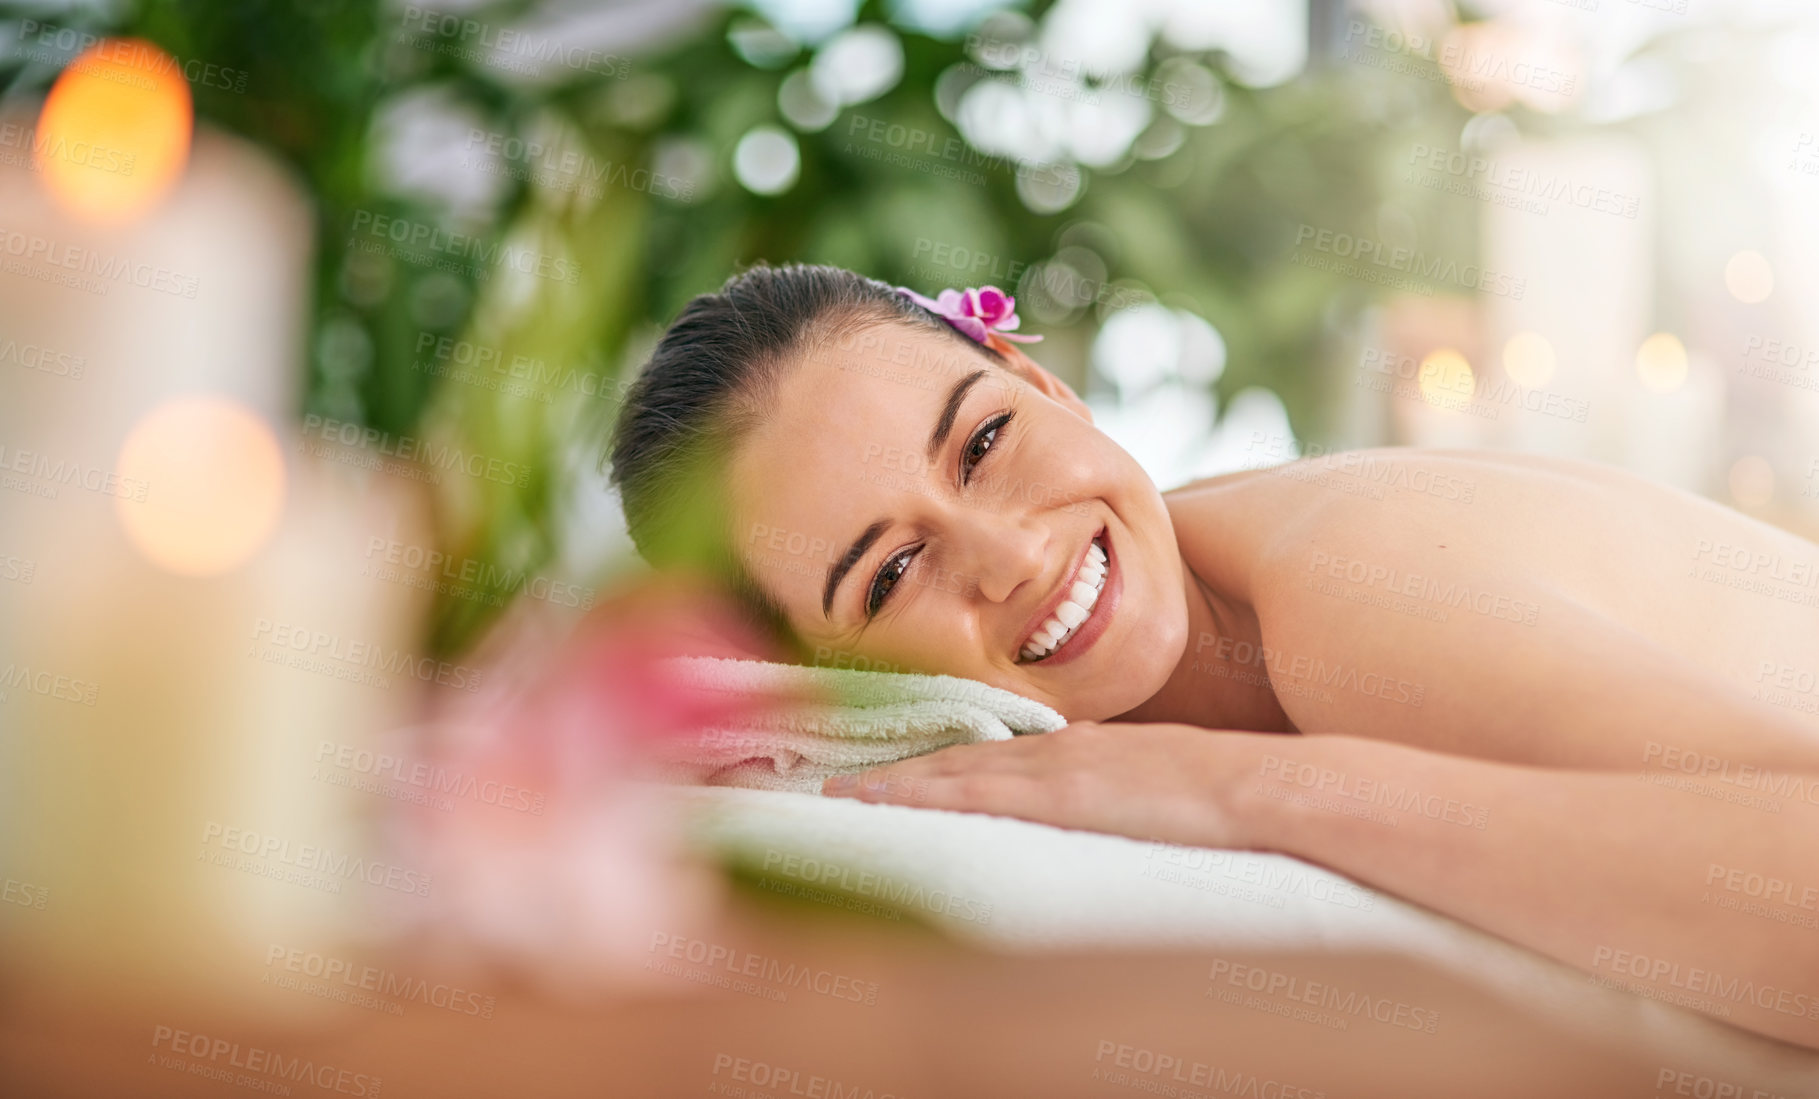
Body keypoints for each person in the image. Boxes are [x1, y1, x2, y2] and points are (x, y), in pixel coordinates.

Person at [608, 262, 1819, 1050]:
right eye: (886, 573)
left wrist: (1255, 790)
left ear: (1046, 383)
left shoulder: (1358, 585)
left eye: (982, 442)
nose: (1005, 555)